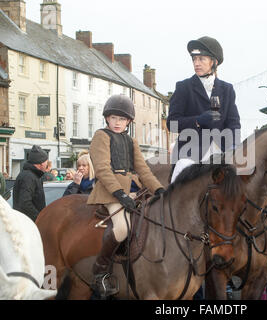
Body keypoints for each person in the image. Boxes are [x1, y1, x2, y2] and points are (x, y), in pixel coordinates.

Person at [87, 94, 164, 298]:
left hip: (134, 191)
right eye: (113, 118)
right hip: (110, 192)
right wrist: (120, 194)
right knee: (122, 228)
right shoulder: (101, 136)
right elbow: (103, 169)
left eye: (122, 119)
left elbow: (143, 170)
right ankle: (100, 270)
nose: (117, 122)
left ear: (128, 121)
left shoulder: (131, 141)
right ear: (107, 119)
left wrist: (159, 190)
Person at [167, 36, 241, 181]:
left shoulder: (227, 89)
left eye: (201, 59)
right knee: (181, 172)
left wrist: (233, 146)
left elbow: (233, 123)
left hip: (221, 151)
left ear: (214, 62)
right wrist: (197, 121)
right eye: (194, 59)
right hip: (190, 154)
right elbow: (172, 123)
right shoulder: (183, 87)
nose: (197, 63)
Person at [12, 145, 48, 221]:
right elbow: (25, 203)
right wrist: (39, 218)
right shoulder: (29, 177)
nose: (46, 165)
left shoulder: (33, 175)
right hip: (28, 224)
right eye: (46, 162)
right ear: (41, 163)